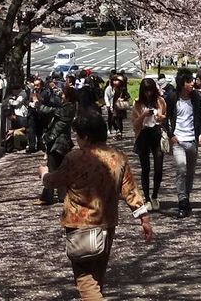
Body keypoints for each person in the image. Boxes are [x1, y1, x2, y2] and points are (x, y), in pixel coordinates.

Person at [38, 109, 153, 301]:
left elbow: (53, 181)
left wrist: (43, 173)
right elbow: (130, 190)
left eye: (78, 135)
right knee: (97, 276)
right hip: (107, 224)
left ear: (85, 136)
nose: (76, 139)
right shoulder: (118, 157)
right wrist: (144, 218)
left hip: (79, 225)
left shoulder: (75, 158)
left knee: (85, 279)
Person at [167, 68, 201, 218]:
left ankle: (187, 197)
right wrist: (171, 135)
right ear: (182, 83)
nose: (192, 83)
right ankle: (182, 201)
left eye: (192, 80)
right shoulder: (172, 98)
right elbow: (166, 119)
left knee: (190, 172)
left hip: (192, 140)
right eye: (189, 81)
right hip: (178, 140)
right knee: (181, 169)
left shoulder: (197, 97)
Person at [35, 83, 79, 205]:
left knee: (52, 168)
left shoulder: (68, 108)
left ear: (68, 97)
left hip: (59, 142)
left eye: (64, 94)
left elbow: (52, 111)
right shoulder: (68, 106)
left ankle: (48, 196)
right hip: (59, 142)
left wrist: (38, 105)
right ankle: (62, 195)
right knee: (59, 168)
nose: (61, 96)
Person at [130, 77, 167, 209]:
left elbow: (165, 117)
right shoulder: (138, 103)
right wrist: (144, 115)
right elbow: (134, 124)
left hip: (156, 133)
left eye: (150, 91)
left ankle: (155, 196)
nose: (148, 94)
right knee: (145, 168)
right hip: (143, 135)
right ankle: (147, 199)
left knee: (158, 167)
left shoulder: (160, 101)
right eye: (146, 91)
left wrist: (160, 117)